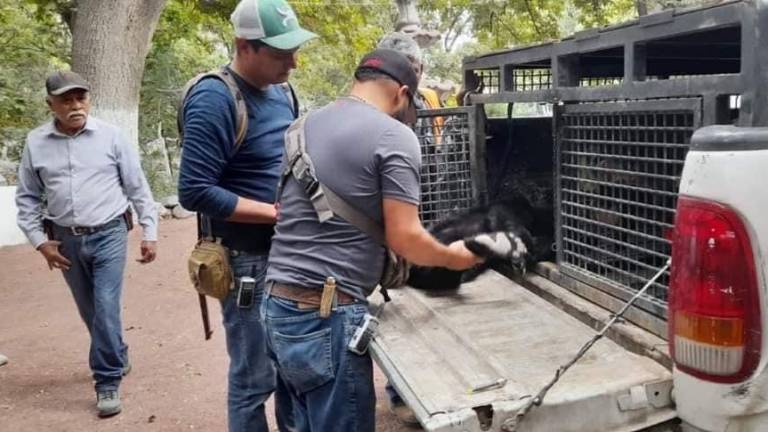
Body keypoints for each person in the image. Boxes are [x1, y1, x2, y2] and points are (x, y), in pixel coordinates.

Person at [263, 48, 482, 432]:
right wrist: (453, 257)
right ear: (401, 93)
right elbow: (405, 236)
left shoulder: (301, 127)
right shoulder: (394, 136)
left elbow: (284, 209)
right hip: (326, 315)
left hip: (275, 304)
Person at [177, 0, 316, 431]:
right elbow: (194, 191)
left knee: (292, 368)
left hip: (287, 253)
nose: (292, 62)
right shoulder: (214, 98)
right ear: (244, 46)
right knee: (254, 377)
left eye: (294, 50)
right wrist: (275, 213)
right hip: (245, 261)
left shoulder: (283, 91)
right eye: (279, 53)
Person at [15, 70, 158, 418]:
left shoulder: (111, 137)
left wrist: (150, 231)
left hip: (109, 232)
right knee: (90, 312)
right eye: (66, 100)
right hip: (64, 240)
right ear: (50, 104)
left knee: (105, 306)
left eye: (81, 98)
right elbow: (27, 199)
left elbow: (137, 187)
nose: (75, 105)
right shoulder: (36, 143)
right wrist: (39, 242)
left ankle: (106, 382)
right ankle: (117, 353)